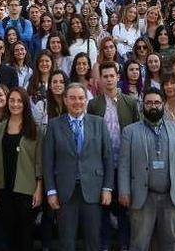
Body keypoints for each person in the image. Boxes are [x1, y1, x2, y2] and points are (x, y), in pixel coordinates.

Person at [118, 88, 175, 251]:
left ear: (163, 105)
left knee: (171, 243)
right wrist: (123, 191)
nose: (153, 106)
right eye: (148, 102)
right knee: (139, 244)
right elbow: (124, 164)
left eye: (156, 102)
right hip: (141, 198)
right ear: (142, 106)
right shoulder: (130, 131)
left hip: (171, 196)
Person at [43, 82, 115, 251]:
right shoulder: (54, 125)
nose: (77, 102)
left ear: (86, 101)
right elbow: (48, 161)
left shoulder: (99, 123)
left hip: (93, 190)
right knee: (66, 241)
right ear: (66, 100)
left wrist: (107, 188)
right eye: (73, 98)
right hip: (65, 192)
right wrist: (51, 191)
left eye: (81, 98)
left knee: (93, 241)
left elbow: (108, 158)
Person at [88, 61, 140, 251]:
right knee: (104, 206)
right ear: (100, 80)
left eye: (112, 76)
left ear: (118, 77)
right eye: (105, 76)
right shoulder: (93, 104)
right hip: (102, 164)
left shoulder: (131, 102)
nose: (109, 79)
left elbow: (137, 132)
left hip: (125, 163)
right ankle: (105, 244)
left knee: (125, 206)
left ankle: (125, 243)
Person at [0, 88, 43, 251]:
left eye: (19, 101)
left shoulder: (35, 129)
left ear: (25, 104)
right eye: (12, 100)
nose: (15, 104)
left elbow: (39, 161)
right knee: (5, 235)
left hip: (26, 190)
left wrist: (39, 189)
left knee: (24, 236)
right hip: (3, 190)